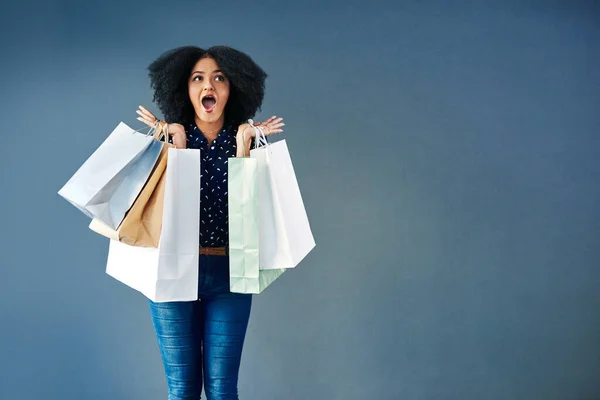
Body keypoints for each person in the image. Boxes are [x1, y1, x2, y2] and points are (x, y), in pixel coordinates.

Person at [135, 45, 284, 400]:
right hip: (172, 271)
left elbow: (254, 212)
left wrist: (245, 149)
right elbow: (154, 209)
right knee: (182, 390)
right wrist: (178, 145)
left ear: (233, 89)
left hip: (229, 273)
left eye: (219, 78)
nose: (209, 86)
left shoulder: (246, 138)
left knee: (222, 391)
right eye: (198, 78)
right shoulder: (167, 138)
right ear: (184, 89)